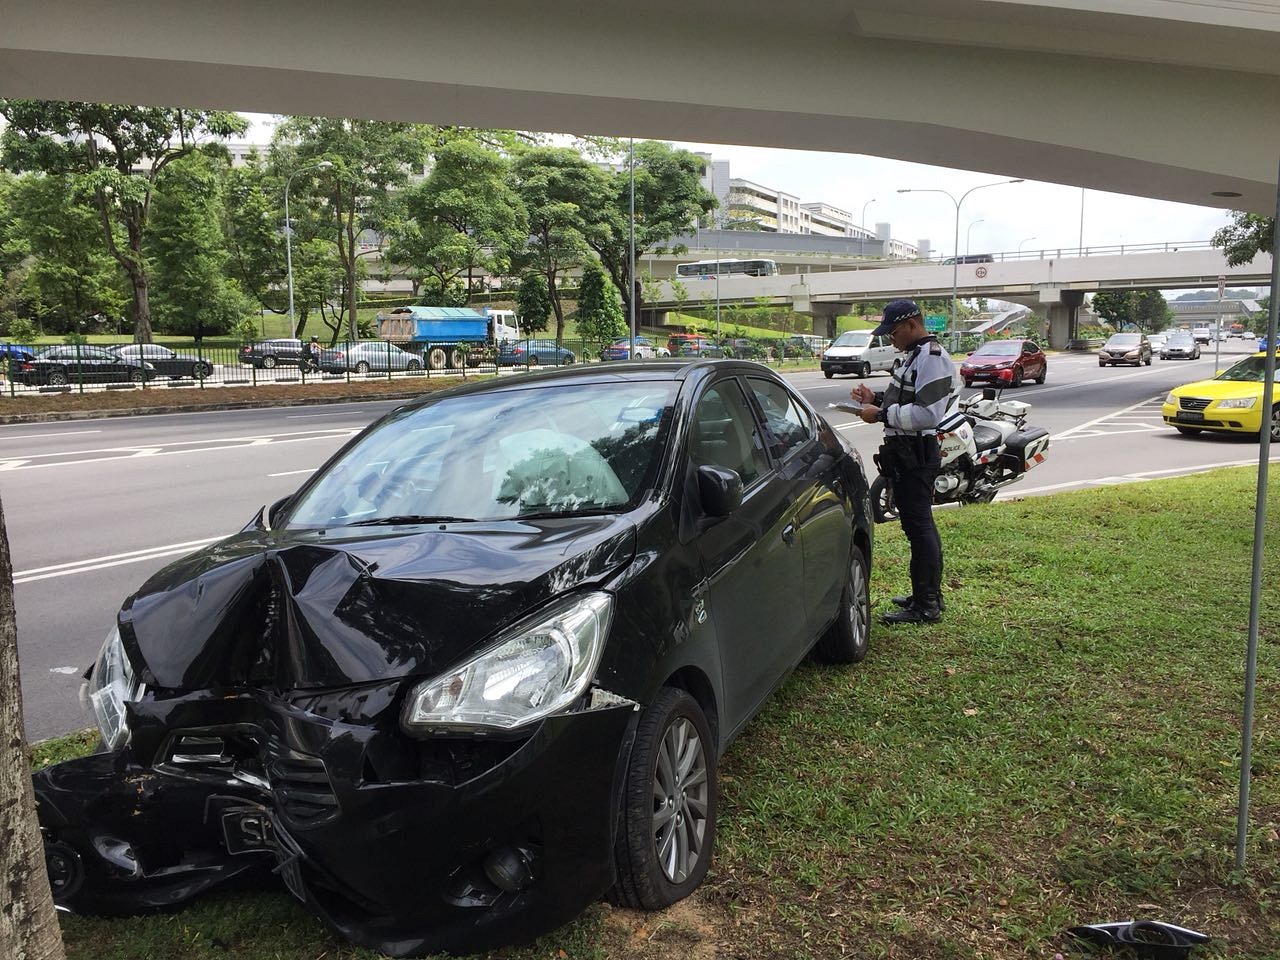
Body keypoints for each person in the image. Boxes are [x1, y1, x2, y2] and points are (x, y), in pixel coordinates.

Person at [850, 299, 957, 625]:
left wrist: (880, 414)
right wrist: (875, 400)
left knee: (920, 527)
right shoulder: (915, 356)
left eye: (894, 332)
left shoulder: (933, 359)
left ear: (912, 326)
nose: (890, 339)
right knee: (917, 526)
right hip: (906, 452)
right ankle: (926, 596)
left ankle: (926, 605)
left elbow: (928, 413)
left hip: (917, 452)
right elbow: (911, 398)